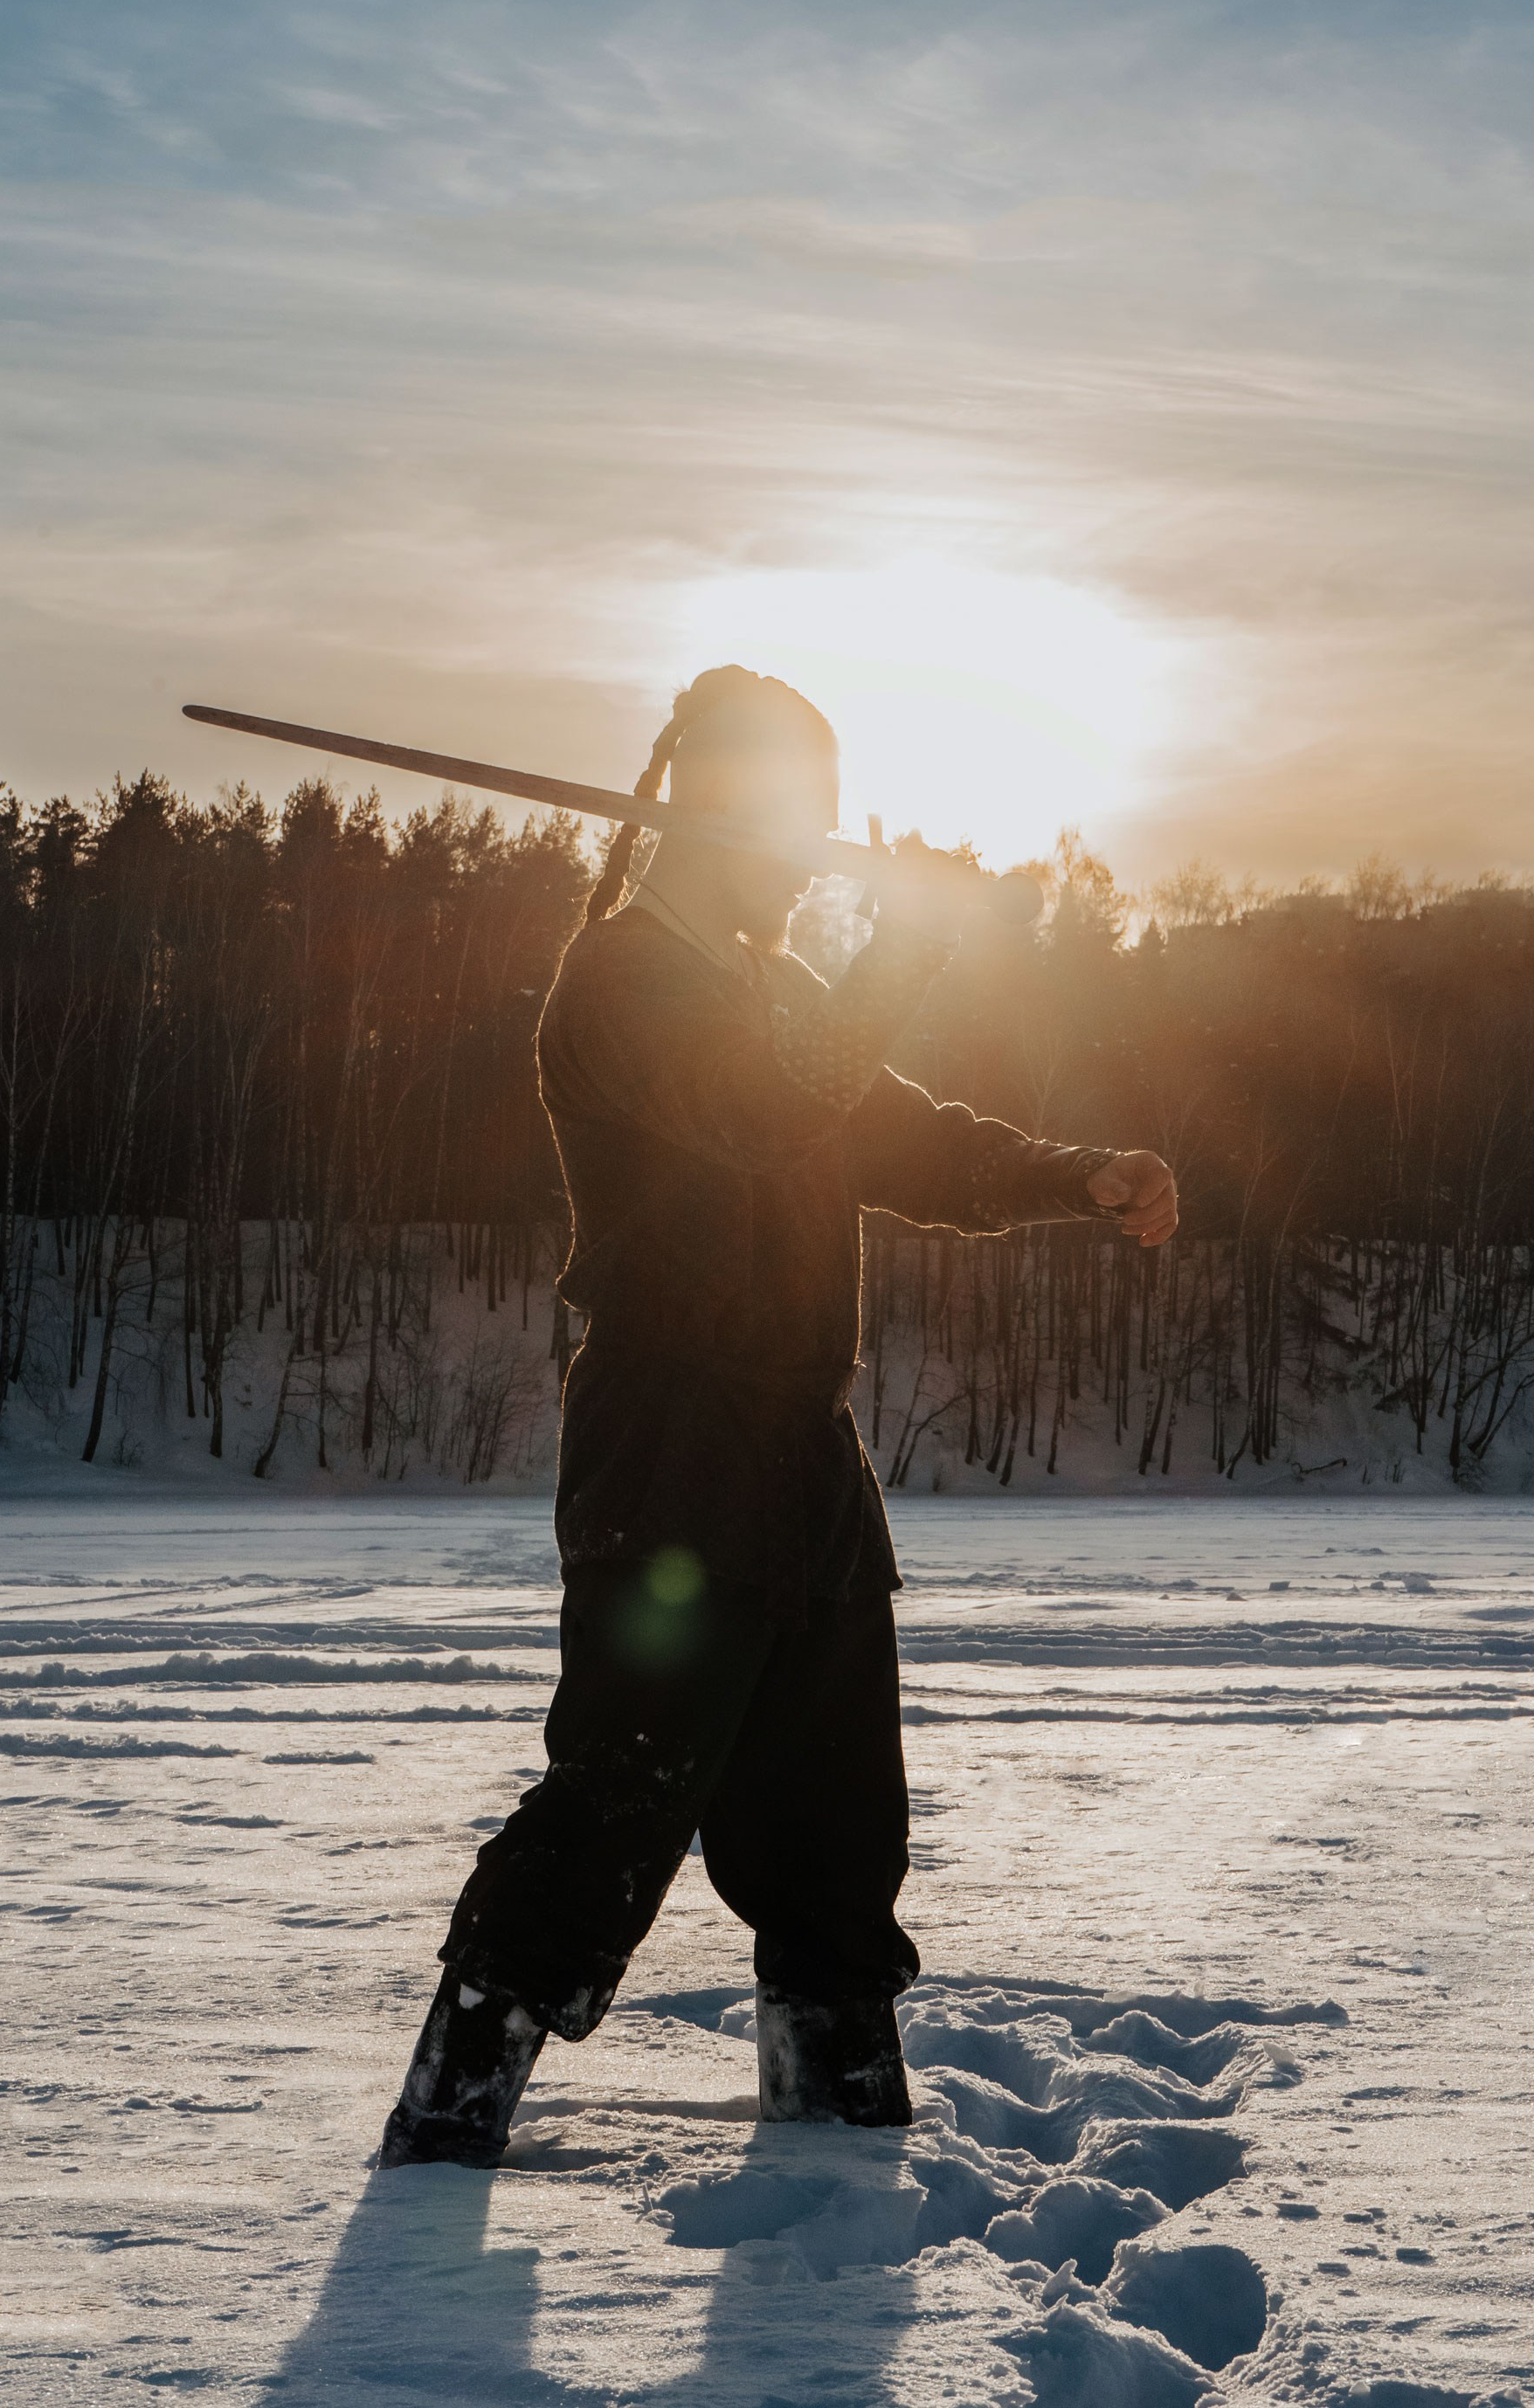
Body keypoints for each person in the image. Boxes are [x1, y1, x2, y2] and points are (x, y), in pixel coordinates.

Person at [378, 666, 1178, 2167]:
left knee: (834, 1838)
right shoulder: (622, 983)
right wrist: (900, 951)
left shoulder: (779, 994)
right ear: (705, 818)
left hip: (803, 1460)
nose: (812, 851)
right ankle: (440, 2145)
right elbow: (763, 1113)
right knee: (620, 1797)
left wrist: (1074, 1173)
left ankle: (839, 2156)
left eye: (823, 820)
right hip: (672, 1446)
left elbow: (889, 1131)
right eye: (789, 820)